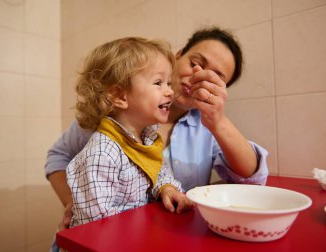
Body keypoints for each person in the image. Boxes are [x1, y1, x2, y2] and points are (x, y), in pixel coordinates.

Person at [45, 26, 269, 230]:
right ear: (177, 56)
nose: (199, 76)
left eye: (215, 77)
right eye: (194, 63)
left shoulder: (185, 131)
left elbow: (252, 179)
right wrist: (76, 201)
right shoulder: (107, 127)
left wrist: (218, 122)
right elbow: (59, 157)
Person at [66, 37, 192, 227]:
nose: (170, 92)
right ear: (119, 96)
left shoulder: (146, 139)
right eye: (158, 83)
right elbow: (97, 224)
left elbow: (157, 171)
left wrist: (167, 188)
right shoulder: (102, 154)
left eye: (168, 83)